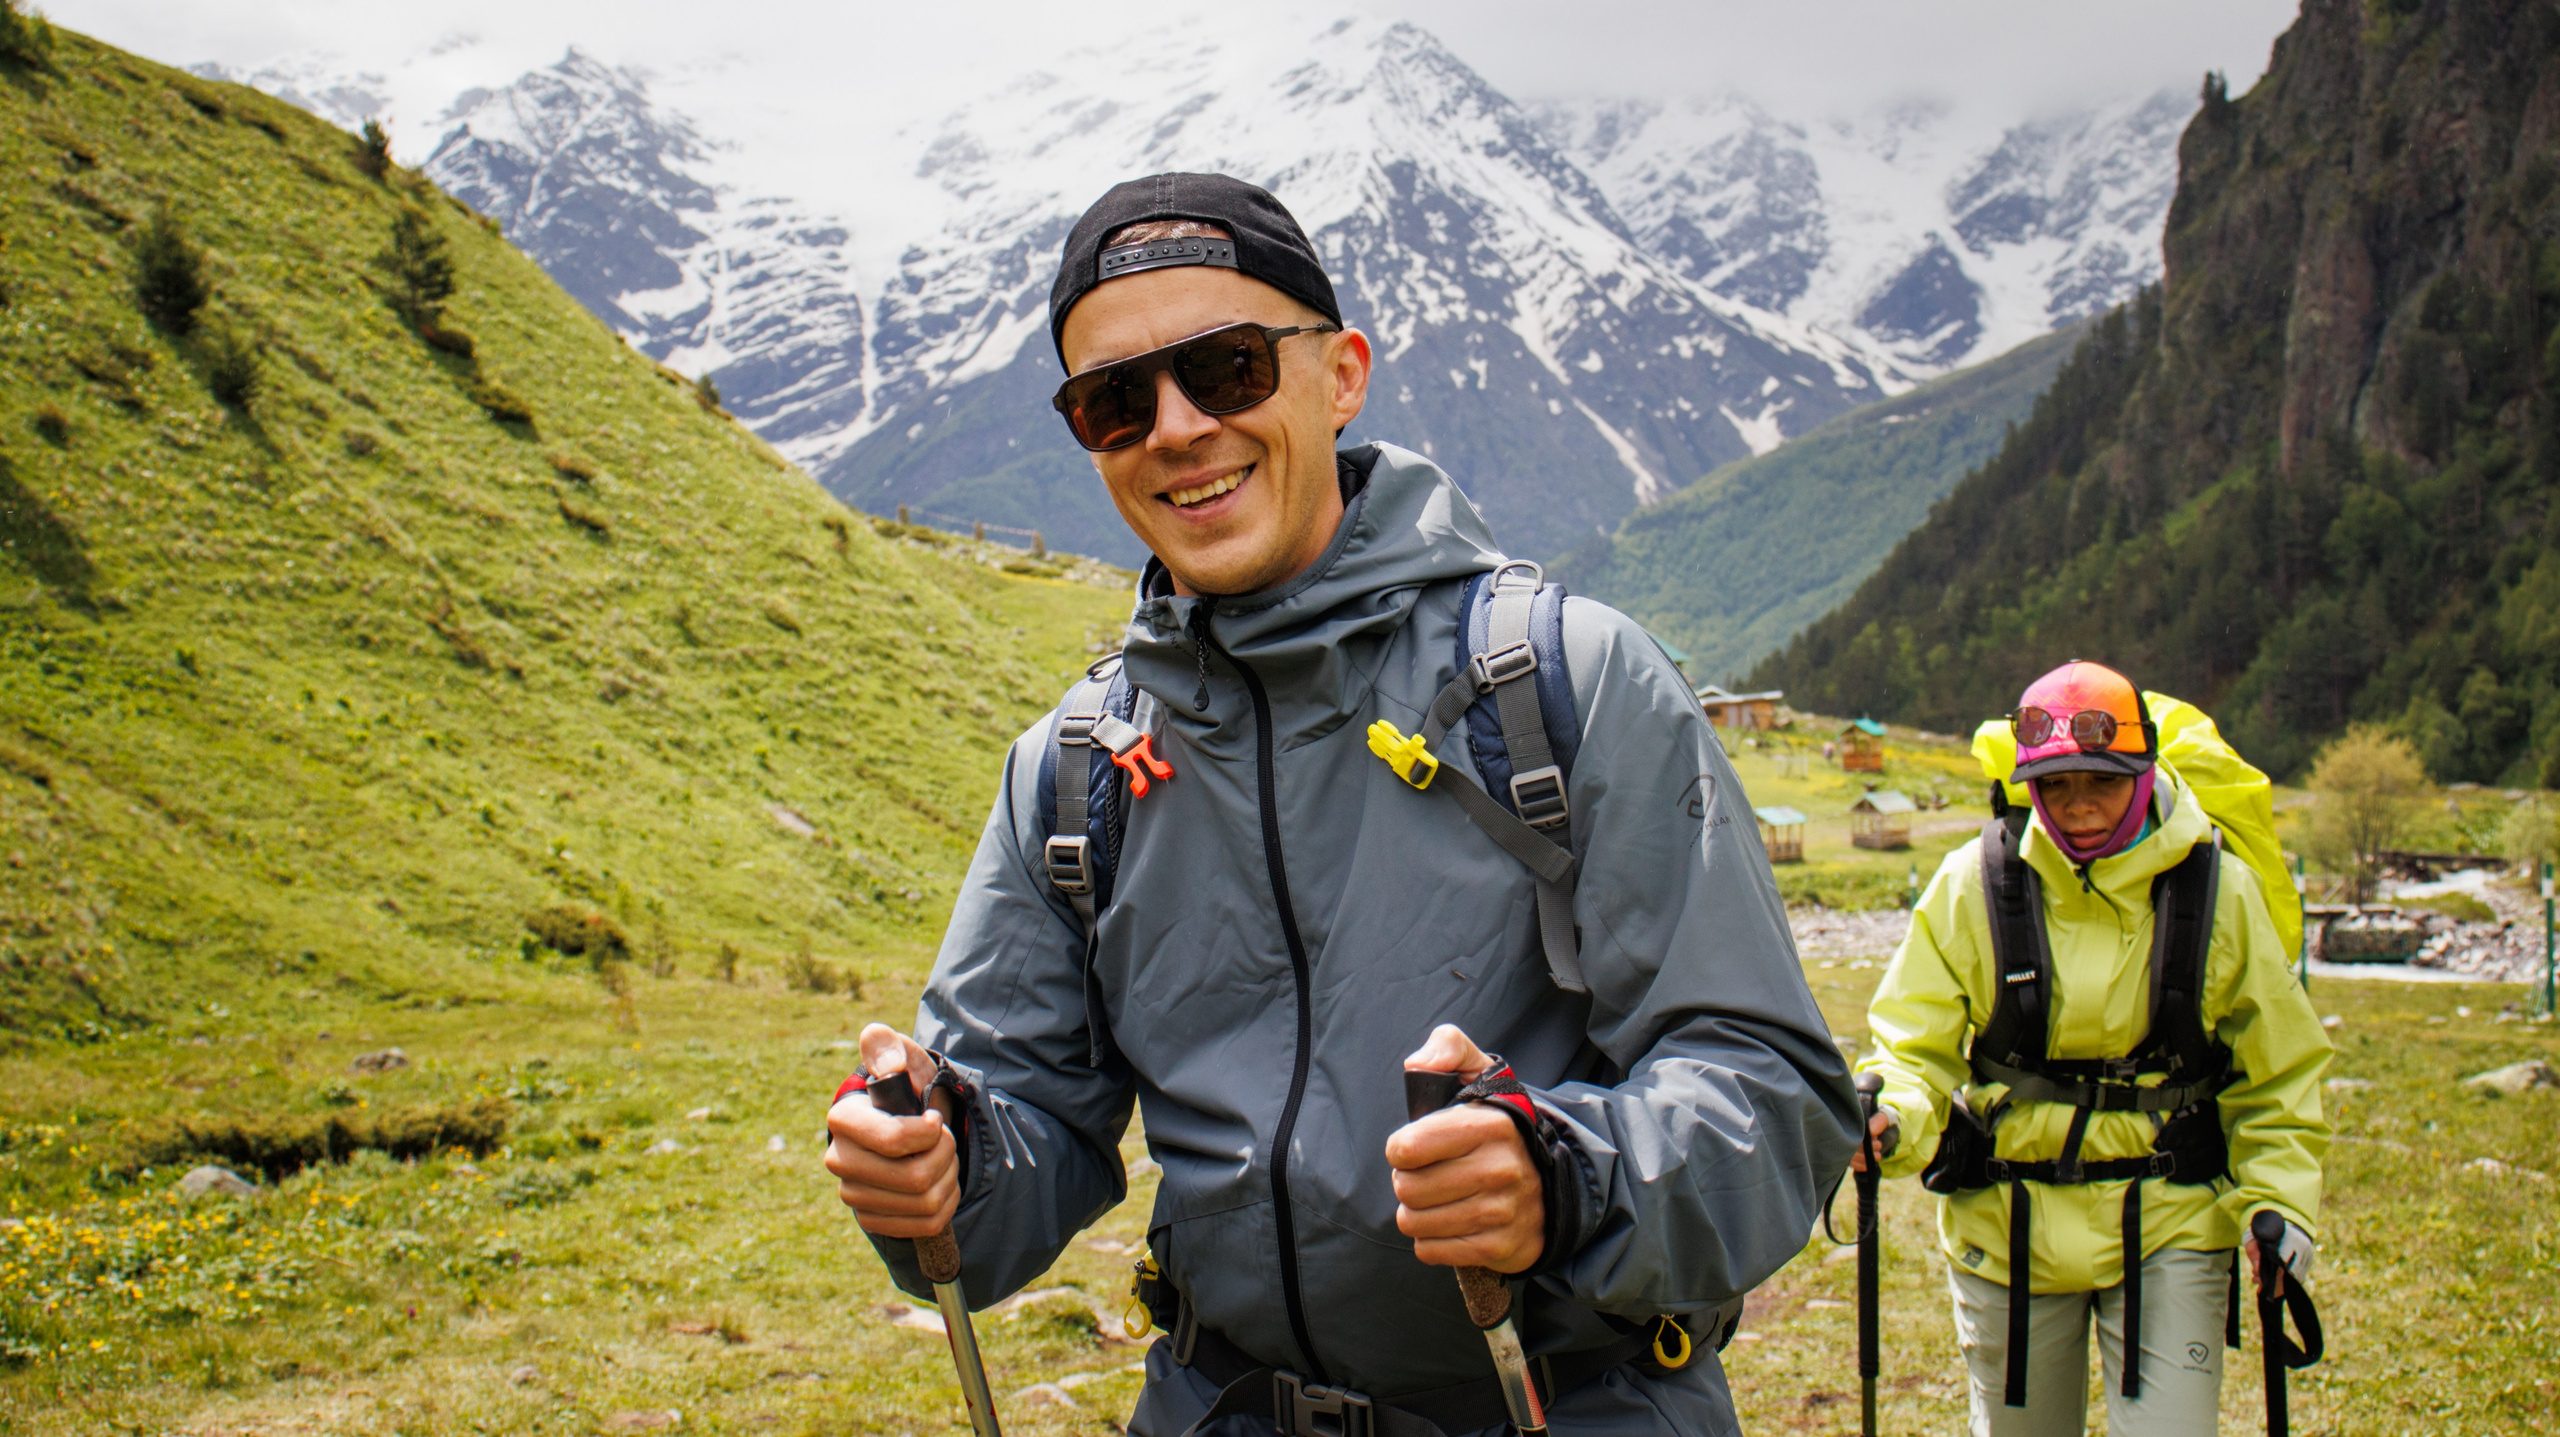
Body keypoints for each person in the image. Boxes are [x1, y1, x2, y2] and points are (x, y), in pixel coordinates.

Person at [822, 171, 1857, 1437]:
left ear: (1341, 374)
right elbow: (1020, 1130)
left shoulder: (1559, 682)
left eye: (1230, 366)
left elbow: (1774, 1095)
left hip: (1564, 1404)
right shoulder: (1077, 766)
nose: (1178, 427)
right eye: (1112, 401)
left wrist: (1566, 1180)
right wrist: (943, 1160)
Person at [1852, 660, 2331, 1436]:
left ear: (2142, 776)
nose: (2077, 808)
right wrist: (1893, 1115)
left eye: (2101, 783)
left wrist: (2279, 1202)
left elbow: (2278, 1071)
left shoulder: (2219, 891)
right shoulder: (1971, 883)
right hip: (2009, 1225)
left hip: (2173, 1221)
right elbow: (1913, 1046)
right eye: (2057, 785)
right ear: (2028, 781)